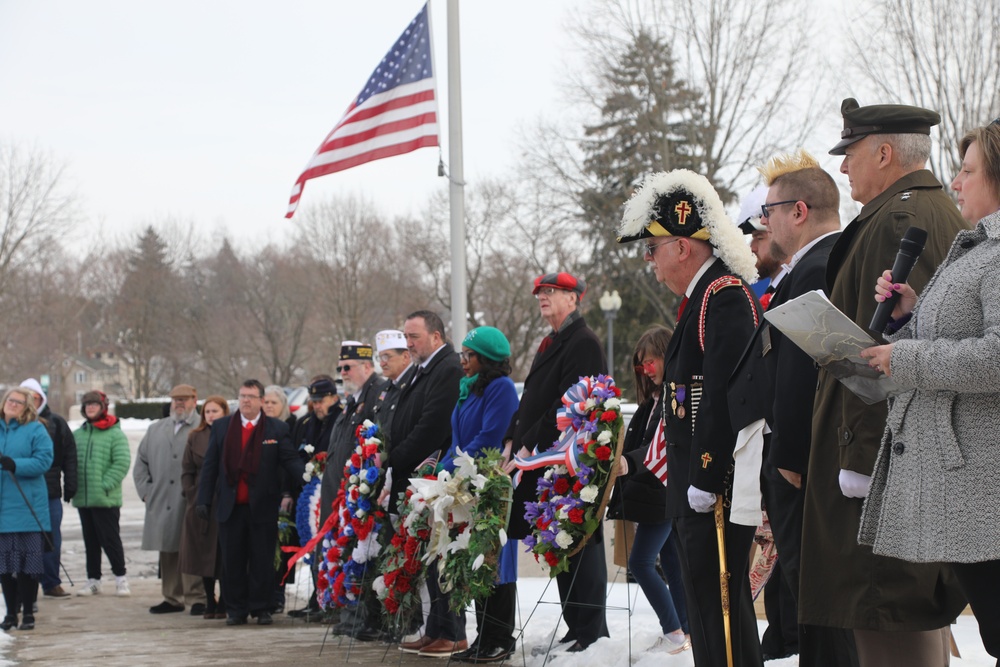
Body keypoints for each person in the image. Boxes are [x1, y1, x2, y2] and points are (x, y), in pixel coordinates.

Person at [802, 98, 969, 665]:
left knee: (888, 613)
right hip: (895, 462)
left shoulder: (903, 219)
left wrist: (861, 458)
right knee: (898, 618)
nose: (843, 167)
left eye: (850, 153)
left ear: (884, 151)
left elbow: (903, 352)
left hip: (886, 468)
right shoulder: (911, 211)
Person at [858, 119, 1000, 661]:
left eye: (968, 171)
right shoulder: (974, 249)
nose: (957, 181)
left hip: (984, 491)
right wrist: (909, 313)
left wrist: (908, 357)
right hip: (967, 491)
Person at [616, 169, 762, 666]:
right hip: (693, 489)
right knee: (703, 611)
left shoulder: (722, 296)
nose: (648, 261)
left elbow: (725, 396)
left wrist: (704, 474)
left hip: (712, 490)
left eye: (652, 248)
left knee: (720, 614)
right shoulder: (700, 299)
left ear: (682, 246)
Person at [729, 151, 856, 665]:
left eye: (769, 212)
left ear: (798, 212)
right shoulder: (813, 267)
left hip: (805, 469)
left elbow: (809, 372)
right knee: (813, 606)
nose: (765, 223)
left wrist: (792, 458)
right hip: (802, 464)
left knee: (821, 609)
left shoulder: (819, 267)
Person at [503, 271, 609, 655]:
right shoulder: (550, 341)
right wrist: (513, 437)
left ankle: (591, 627)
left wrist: (531, 443)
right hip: (543, 459)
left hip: (569, 458)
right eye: (540, 293)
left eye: (552, 292)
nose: (543, 297)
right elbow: (531, 395)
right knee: (557, 539)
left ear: (574, 299)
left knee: (579, 537)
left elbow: (569, 403)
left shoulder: (582, 341)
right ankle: (575, 623)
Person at [607, 325, 691, 656]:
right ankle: (684, 630)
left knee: (641, 563)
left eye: (651, 360)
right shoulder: (652, 401)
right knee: (671, 563)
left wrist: (628, 463)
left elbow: (661, 446)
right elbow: (642, 441)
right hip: (655, 494)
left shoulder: (675, 396)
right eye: (642, 363)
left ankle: (674, 630)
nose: (647, 369)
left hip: (661, 493)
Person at [440, 326, 520, 664]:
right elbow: (457, 437)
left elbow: (491, 435)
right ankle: (483, 638)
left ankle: (500, 638)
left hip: (490, 486)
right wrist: (441, 468)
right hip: (468, 486)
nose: (463, 361)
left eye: (468, 355)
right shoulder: (470, 389)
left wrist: (452, 468)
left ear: (486, 359)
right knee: (476, 562)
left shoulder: (500, 388)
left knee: (495, 563)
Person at [196, 379, 304, 627]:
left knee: (262, 560)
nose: (245, 400)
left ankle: (261, 608)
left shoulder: (275, 429)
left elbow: (289, 459)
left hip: (262, 506)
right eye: (242, 395)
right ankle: (236, 610)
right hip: (230, 507)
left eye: (251, 396)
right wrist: (204, 499)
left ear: (261, 401)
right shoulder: (223, 427)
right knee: (232, 560)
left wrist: (310, 478)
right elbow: (210, 466)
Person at [390, 311, 465, 658]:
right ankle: (435, 627)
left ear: (436, 336)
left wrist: (397, 458)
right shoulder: (425, 369)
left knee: (442, 555)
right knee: (430, 556)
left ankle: (451, 631)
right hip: (420, 476)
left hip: (436, 473)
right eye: (406, 336)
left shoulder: (447, 367)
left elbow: (432, 425)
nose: (408, 343)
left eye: (414, 336)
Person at [322, 341, 386, 639]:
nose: (343, 373)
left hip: (363, 493)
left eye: (348, 368)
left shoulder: (376, 392)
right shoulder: (353, 399)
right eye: (340, 368)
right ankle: (352, 617)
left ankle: (366, 620)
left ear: (366, 366)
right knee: (348, 555)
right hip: (344, 492)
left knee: (361, 556)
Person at [133, 383, 206, 615]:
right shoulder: (156, 429)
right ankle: (172, 597)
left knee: (192, 547)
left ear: (195, 401)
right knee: (167, 548)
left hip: (190, 498)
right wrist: (146, 491)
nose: (180, 403)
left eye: (185, 399)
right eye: (176, 400)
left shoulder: (202, 427)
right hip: (161, 497)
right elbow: (141, 463)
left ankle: (197, 597)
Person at [0, 386, 53, 632]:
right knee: (4, 566)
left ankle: (29, 612)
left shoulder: (35, 429)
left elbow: (44, 460)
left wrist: (15, 464)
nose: (13, 404)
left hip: (28, 508)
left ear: (27, 407)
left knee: (28, 566)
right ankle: (11, 613)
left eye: (19, 402)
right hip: (2, 511)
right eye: (10, 399)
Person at [19, 378, 77, 599]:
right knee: (21, 542)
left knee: (51, 539)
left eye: (35, 397)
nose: (31, 402)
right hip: (19, 494)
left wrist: (71, 484)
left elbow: (70, 456)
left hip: (49, 492)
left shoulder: (57, 423)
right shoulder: (12, 423)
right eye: (27, 397)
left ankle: (51, 582)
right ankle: (22, 588)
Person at [72, 390, 131, 598]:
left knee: (110, 539)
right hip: (84, 498)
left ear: (102, 407)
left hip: (106, 498)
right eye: (87, 405)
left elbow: (122, 462)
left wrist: (105, 484)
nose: (90, 408)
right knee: (90, 541)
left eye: (94, 404)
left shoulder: (115, 433)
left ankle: (120, 577)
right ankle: (93, 579)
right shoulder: (78, 434)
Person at [180, 395, 230, 619]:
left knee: (223, 553)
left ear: (224, 413)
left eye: (215, 411)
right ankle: (210, 600)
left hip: (226, 499)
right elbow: (187, 469)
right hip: (201, 502)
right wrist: (192, 494)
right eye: (207, 412)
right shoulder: (195, 436)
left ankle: (226, 601)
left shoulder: (231, 434)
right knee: (203, 553)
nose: (211, 416)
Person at [263, 383, 297, 614]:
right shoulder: (260, 427)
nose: (268, 406)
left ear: (282, 405)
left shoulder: (292, 426)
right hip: (264, 494)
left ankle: (278, 593)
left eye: (273, 402)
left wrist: (288, 492)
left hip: (285, 494)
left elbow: (292, 463)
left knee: (283, 545)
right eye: (265, 402)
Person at [372, 329, 413, 437]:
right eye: (379, 357)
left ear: (405, 357)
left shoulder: (414, 384)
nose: (381, 363)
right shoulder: (383, 388)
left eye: (386, 357)